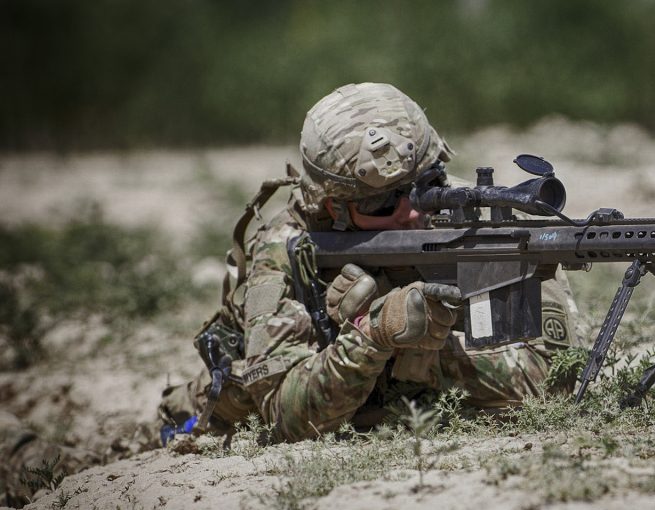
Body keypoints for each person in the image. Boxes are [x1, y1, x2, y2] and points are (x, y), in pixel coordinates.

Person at [158, 83, 582, 442]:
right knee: (189, 414)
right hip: (227, 410)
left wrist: (426, 350)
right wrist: (373, 336)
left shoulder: (471, 222)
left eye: (425, 187)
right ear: (332, 206)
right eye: (381, 203)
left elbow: (555, 382)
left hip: (405, 409)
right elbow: (283, 416)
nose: (411, 212)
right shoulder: (289, 247)